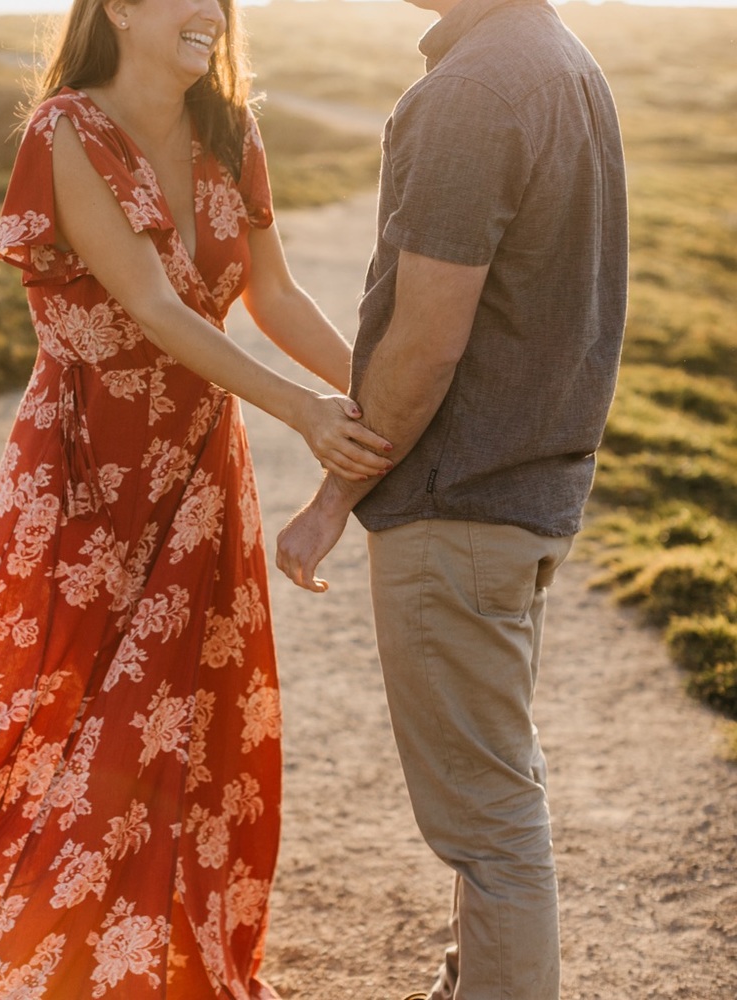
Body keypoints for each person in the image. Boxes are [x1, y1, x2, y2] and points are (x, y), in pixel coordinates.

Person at [0, 0, 393, 997]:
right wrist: (305, 413)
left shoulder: (231, 128)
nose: (210, 12)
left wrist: (386, 402)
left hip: (194, 475)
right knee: (22, 721)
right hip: (80, 476)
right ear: (120, 8)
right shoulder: (68, 131)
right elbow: (152, 303)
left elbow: (274, 294)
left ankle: (122, 955)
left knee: (175, 723)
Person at [276, 0, 628, 997]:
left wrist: (332, 498)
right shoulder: (562, 64)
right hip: (525, 493)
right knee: (496, 789)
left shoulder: (470, 93)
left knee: (489, 824)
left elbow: (427, 341)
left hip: (457, 501)